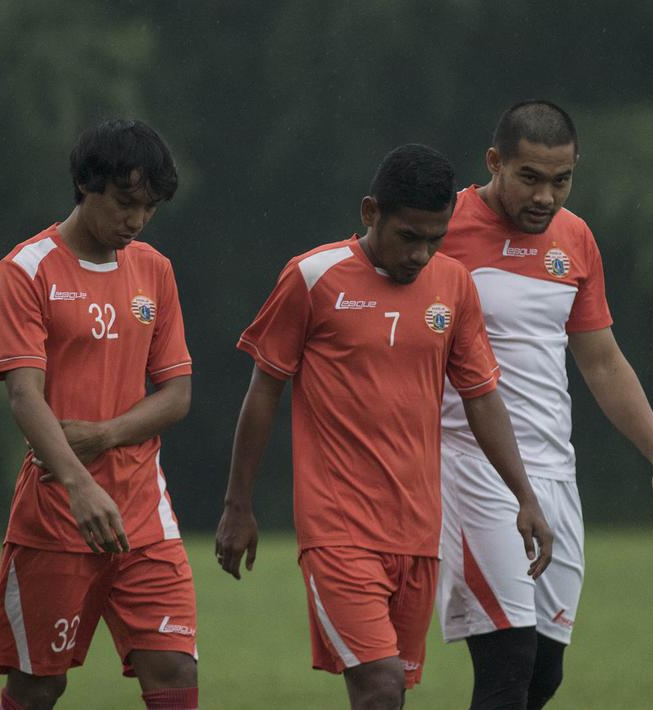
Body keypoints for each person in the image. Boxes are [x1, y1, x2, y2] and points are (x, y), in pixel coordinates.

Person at [214, 144, 554, 710]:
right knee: (379, 684)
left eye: (435, 239)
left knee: (389, 693)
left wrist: (526, 496)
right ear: (371, 212)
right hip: (336, 528)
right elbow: (265, 390)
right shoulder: (313, 276)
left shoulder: (454, 286)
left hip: (418, 530)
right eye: (408, 236)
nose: (421, 254)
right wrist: (237, 505)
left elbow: (482, 398)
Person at [435, 101, 653, 709]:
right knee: (508, 662)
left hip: (555, 472)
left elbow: (602, 361)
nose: (546, 197)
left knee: (543, 673)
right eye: (530, 178)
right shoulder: (441, 229)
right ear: (494, 162)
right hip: (471, 467)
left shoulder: (575, 238)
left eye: (562, 180)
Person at [0, 119, 199, 710]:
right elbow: (24, 395)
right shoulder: (26, 269)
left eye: (149, 208)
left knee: (173, 666)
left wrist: (103, 435)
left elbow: (176, 394)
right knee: (39, 685)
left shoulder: (154, 270)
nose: (137, 220)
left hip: (144, 515)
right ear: (85, 183)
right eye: (126, 202)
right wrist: (79, 486)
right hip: (56, 515)